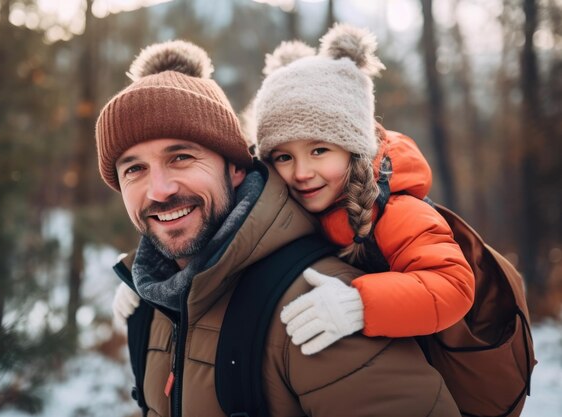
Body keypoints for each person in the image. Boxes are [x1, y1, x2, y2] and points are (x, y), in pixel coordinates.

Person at [98, 38, 461, 416]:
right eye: (134, 169)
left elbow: (449, 283)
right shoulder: (159, 297)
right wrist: (143, 288)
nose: (159, 190)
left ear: (238, 167)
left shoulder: (316, 305)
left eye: (182, 157)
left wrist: (361, 303)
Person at [251, 23, 475, 355]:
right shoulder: (291, 202)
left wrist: (360, 303)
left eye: (319, 151)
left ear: (354, 149)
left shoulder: (398, 212)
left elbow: (453, 285)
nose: (301, 173)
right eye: (284, 157)